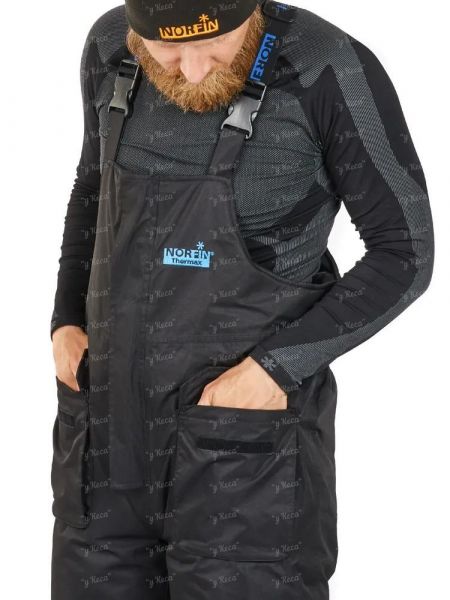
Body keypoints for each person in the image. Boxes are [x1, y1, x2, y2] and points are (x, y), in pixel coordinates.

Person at [50, 1, 434, 599]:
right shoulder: (109, 47)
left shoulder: (323, 66)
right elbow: (92, 187)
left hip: (246, 455)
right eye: (166, 50)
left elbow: (404, 254)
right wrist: (65, 321)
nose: (193, 70)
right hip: (104, 441)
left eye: (213, 44)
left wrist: (273, 370)